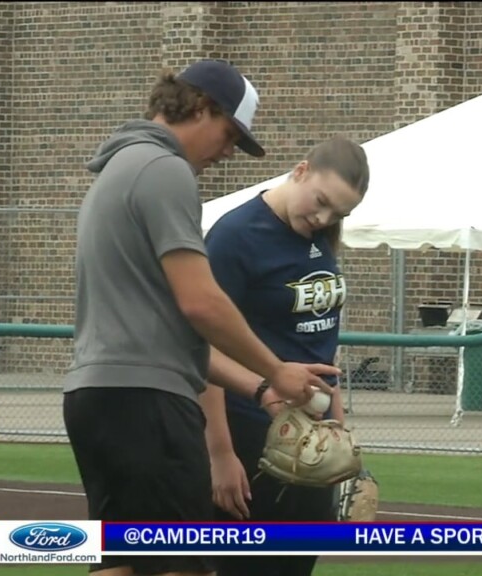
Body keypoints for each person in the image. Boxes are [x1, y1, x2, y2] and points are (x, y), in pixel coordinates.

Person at [61, 59, 338, 576]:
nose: (229, 151)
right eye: (230, 133)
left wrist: (259, 389)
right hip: (148, 403)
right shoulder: (166, 171)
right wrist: (277, 370)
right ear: (202, 107)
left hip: (97, 398)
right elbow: (200, 304)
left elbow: (168, 330)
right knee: (184, 567)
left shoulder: (120, 169)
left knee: (120, 564)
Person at [200, 136, 371, 576]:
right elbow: (202, 346)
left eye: (339, 214)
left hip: (310, 440)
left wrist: (336, 416)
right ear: (300, 171)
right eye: (321, 202)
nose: (324, 217)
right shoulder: (236, 236)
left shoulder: (316, 237)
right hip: (250, 435)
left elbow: (314, 339)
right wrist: (220, 452)